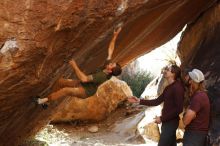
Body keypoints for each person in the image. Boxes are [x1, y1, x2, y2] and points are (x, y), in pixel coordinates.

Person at [35, 27, 122, 106]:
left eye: (111, 65)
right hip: (83, 84)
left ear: (110, 71)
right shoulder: (107, 68)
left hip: (85, 91)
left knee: (66, 90)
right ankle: (48, 100)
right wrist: (115, 36)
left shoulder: (102, 76)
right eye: (112, 63)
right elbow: (110, 51)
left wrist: (74, 65)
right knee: (60, 82)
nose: (110, 63)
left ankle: (41, 101)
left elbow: (84, 79)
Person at [128, 64, 185, 146]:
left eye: (168, 70)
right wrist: (139, 100)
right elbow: (157, 101)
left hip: (171, 123)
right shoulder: (168, 88)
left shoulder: (178, 87)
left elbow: (179, 109)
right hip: (167, 122)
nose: (165, 71)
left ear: (173, 73)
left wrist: (162, 118)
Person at [182, 69, 210, 146]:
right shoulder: (199, 95)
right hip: (196, 135)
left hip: (194, 136)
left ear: (192, 81)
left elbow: (186, 121)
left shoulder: (198, 97)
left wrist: (185, 114)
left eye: (189, 78)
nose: (187, 79)